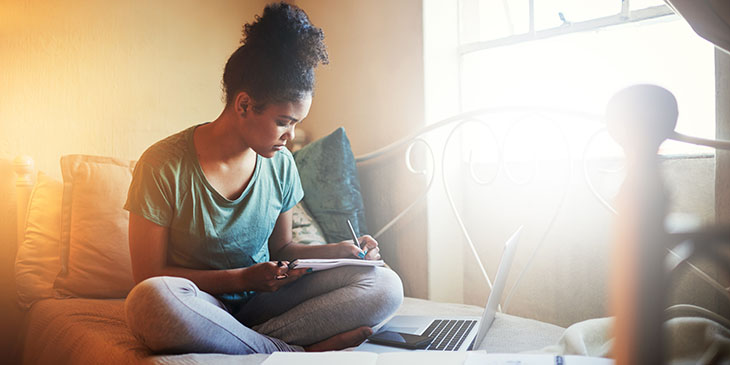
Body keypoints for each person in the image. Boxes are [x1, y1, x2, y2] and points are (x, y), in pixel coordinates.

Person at [122, 2, 403, 354]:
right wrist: (241, 277)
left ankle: (249, 346)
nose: (291, 136)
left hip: (262, 306)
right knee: (148, 301)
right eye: (284, 121)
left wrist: (341, 251)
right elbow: (148, 275)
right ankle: (289, 352)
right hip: (199, 304)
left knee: (385, 285)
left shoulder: (280, 164)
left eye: (296, 123)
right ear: (243, 106)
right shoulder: (162, 165)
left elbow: (282, 249)